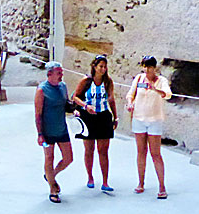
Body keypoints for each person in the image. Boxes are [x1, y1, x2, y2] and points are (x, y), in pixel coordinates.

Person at [126, 56, 172, 199]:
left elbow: (167, 95)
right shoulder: (139, 79)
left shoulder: (162, 81)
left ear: (154, 68)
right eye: (144, 67)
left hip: (154, 120)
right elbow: (130, 95)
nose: (146, 70)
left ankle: (162, 186)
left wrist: (155, 89)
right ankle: (140, 182)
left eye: (149, 67)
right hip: (139, 118)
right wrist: (130, 103)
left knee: (155, 153)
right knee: (141, 151)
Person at [71, 55, 118, 192]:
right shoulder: (86, 81)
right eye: (100, 66)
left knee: (103, 151)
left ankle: (105, 181)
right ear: (94, 67)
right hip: (88, 116)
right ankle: (90, 177)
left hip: (103, 116)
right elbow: (76, 97)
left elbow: (111, 99)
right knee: (89, 149)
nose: (103, 69)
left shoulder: (108, 82)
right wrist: (85, 106)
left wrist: (115, 117)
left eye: (105, 66)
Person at [35, 61, 74, 203]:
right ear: (50, 74)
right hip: (47, 131)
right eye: (59, 73)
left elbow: (66, 104)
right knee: (49, 158)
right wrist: (40, 134)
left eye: (61, 73)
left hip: (61, 128)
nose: (61, 75)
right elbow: (38, 114)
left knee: (68, 158)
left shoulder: (63, 87)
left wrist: (73, 108)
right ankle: (52, 188)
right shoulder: (42, 90)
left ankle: (51, 175)